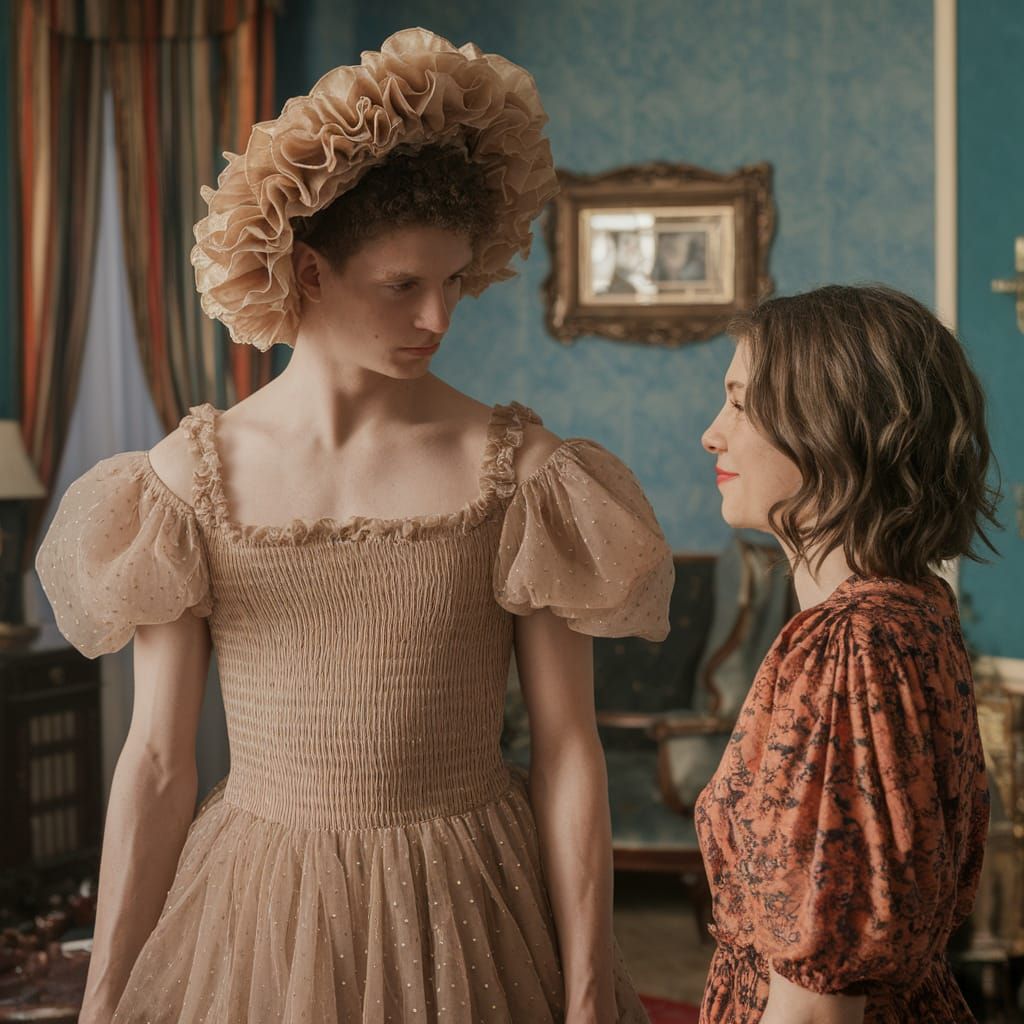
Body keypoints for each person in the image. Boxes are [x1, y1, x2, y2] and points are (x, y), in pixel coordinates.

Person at [35, 29, 674, 1024]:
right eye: (402, 286)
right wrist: (104, 998)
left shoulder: (523, 474)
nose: (438, 318)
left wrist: (589, 988)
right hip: (257, 913)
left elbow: (568, 750)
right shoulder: (180, 485)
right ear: (310, 271)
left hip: (469, 909)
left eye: (454, 282)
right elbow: (159, 762)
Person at [696, 284, 994, 1024]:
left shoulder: (850, 649)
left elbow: (816, 1006)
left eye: (739, 402)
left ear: (831, 425)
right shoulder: (916, 606)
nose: (713, 433)